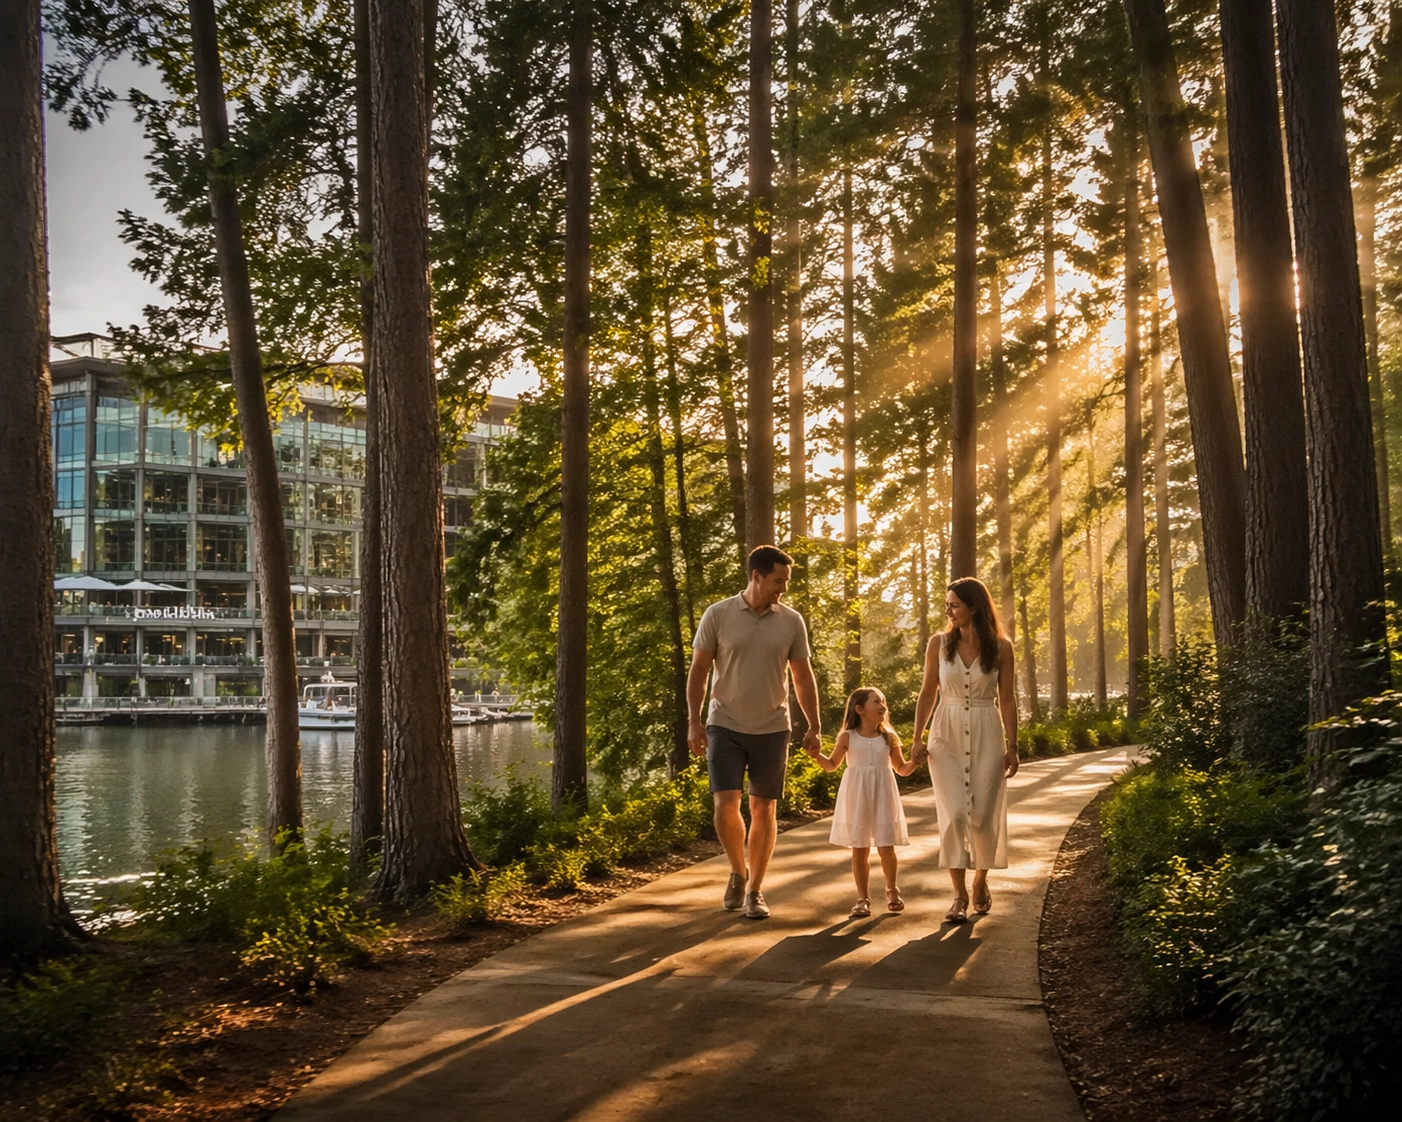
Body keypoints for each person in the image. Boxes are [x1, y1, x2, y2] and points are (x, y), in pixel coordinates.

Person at [688, 545, 822, 920]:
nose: (784, 588)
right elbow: (699, 671)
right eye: (779, 581)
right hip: (724, 722)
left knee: (763, 808)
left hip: (772, 726)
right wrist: (694, 721)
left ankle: (755, 889)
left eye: (787, 582)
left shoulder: (791, 621)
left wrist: (813, 724)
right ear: (757, 576)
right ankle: (737, 869)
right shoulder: (718, 615)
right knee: (724, 804)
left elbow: (802, 676)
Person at [911, 577, 1019, 923]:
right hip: (946, 733)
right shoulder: (939, 644)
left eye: (955, 604)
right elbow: (928, 692)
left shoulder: (1002, 648)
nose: (949, 611)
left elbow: (1007, 698)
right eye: (948, 605)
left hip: (988, 732)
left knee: (984, 815)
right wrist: (917, 737)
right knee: (955, 813)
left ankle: (981, 880)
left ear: (974, 607)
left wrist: (1013, 746)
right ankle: (957, 895)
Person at [807, 687, 922, 917]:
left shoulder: (889, 737)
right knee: (859, 849)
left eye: (883, 701)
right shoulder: (847, 737)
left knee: (885, 846)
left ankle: (891, 888)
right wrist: (816, 755)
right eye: (876, 702)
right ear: (859, 709)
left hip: (883, 794)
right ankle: (863, 898)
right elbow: (832, 765)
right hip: (857, 796)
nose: (883, 706)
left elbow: (900, 768)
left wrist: (916, 763)